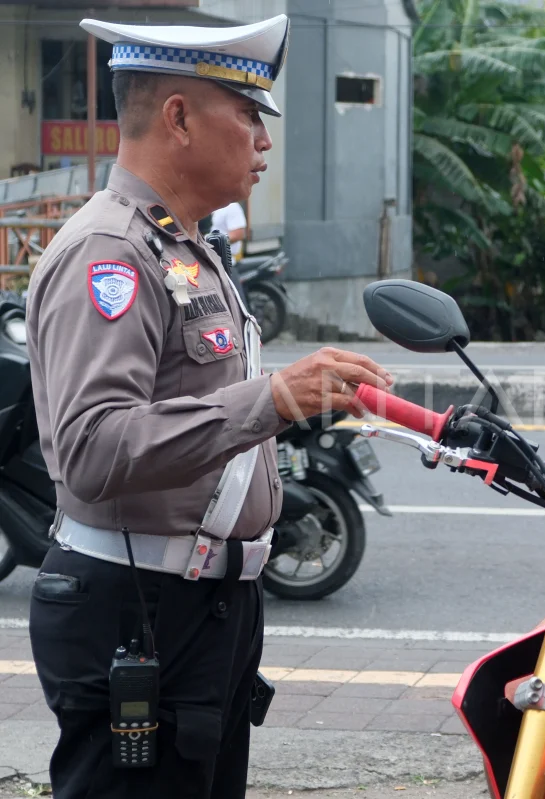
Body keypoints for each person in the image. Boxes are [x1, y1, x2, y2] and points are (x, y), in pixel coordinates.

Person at [25, 15, 393, 799]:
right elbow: (92, 446)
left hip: (205, 604)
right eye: (248, 112)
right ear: (179, 118)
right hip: (138, 604)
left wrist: (286, 400)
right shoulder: (112, 253)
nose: (264, 139)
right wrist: (272, 398)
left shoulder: (185, 247)